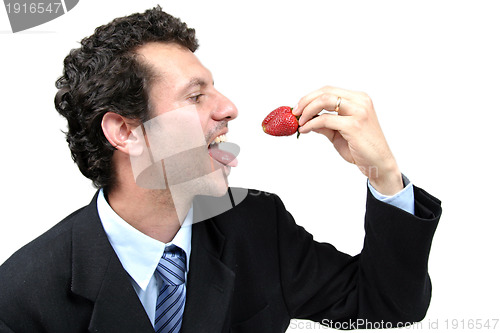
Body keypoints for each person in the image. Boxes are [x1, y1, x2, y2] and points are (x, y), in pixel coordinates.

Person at [0, 6, 441, 333]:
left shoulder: (258, 227)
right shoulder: (22, 296)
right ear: (125, 131)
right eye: (195, 97)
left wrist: (383, 173)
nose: (229, 108)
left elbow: (387, 308)